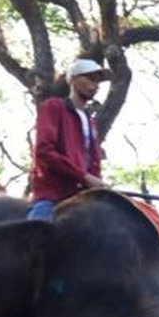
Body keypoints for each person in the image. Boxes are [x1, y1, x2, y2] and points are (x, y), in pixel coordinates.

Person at [26, 58, 113, 220]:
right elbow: (44, 151)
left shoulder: (90, 121)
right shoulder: (54, 106)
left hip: (81, 199)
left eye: (98, 81)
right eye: (89, 78)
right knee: (37, 236)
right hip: (53, 196)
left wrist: (98, 184)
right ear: (73, 80)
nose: (94, 85)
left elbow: (93, 163)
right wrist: (84, 176)